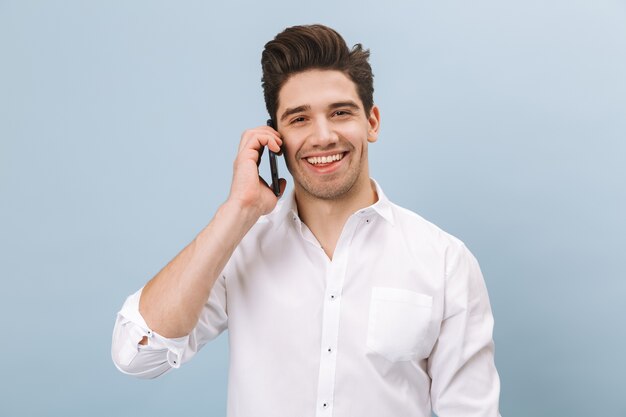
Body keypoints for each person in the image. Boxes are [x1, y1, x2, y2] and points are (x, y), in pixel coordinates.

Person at [111, 24, 501, 417]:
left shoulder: (444, 261)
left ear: (372, 122)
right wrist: (236, 212)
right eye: (299, 119)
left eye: (341, 112)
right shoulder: (238, 249)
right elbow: (137, 355)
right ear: (274, 136)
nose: (324, 136)